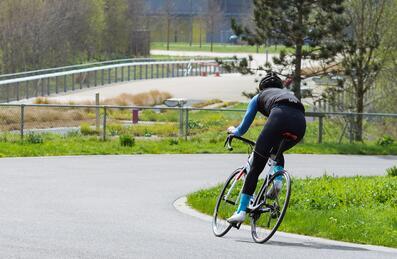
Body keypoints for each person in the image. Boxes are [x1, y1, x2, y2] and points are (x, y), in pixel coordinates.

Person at [226, 72, 306, 224]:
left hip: (279, 117)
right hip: (300, 123)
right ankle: (277, 181)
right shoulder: (289, 94)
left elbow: (242, 129)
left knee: (256, 166)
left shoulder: (259, 97)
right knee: (277, 150)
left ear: (262, 88)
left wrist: (232, 131)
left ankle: (241, 212)